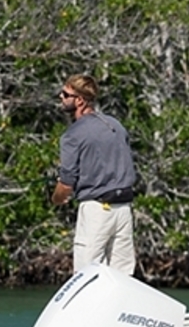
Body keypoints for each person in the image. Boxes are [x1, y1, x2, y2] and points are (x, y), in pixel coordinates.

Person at [51, 74, 138, 275]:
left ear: (79, 100)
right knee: (123, 276)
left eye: (65, 94)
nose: (60, 97)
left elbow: (65, 186)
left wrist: (56, 199)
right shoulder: (116, 125)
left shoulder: (72, 135)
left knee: (86, 274)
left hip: (96, 210)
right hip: (123, 209)